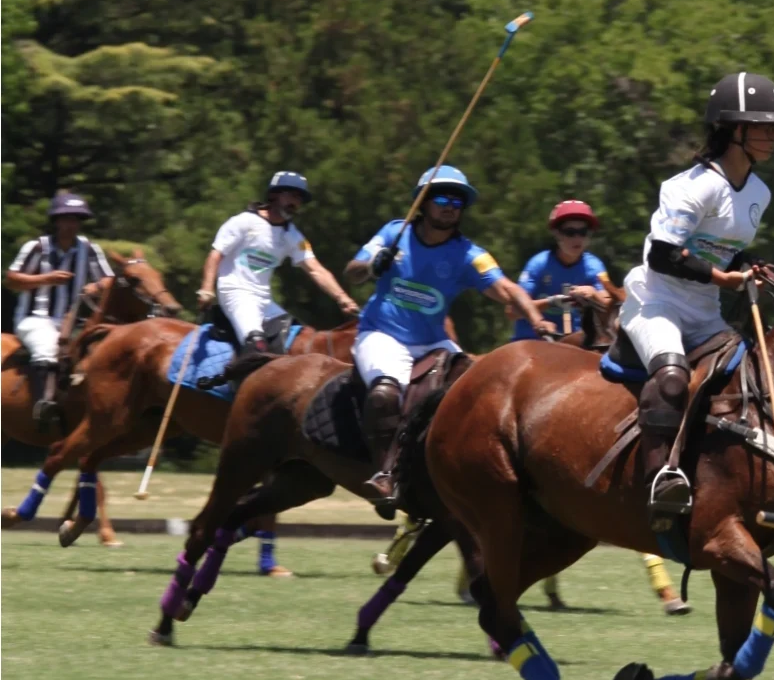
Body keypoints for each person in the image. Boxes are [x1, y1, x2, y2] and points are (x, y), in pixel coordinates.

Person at [619, 71, 774, 525]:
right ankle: (660, 478)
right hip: (655, 301)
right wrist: (722, 278)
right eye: (764, 126)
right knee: (673, 382)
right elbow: (663, 255)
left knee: (754, 383)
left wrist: (753, 267)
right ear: (734, 129)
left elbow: (728, 245)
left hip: (704, 312)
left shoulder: (758, 192)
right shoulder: (690, 186)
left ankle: (768, 485)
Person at [344, 164, 554, 514]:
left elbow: (506, 289)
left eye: (458, 201)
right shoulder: (394, 233)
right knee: (384, 393)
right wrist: (371, 266)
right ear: (423, 203)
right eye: (442, 198)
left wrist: (537, 320)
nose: (450, 206)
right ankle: (385, 474)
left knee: (474, 389)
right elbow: (352, 272)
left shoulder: (468, 253)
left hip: (432, 343)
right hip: (382, 334)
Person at [197, 172, 357, 362]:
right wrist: (207, 289)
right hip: (235, 293)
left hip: (264, 300)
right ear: (274, 195)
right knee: (256, 346)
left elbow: (316, 269)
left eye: (299, 198)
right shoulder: (244, 222)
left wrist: (343, 298)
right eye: (291, 195)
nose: (295, 202)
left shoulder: (293, 237)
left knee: (298, 342)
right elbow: (216, 254)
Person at [5, 191, 114, 425]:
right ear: (56, 221)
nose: (71, 224)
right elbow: (11, 279)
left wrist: (95, 287)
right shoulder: (37, 247)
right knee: (47, 349)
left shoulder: (90, 249)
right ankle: (45, 405)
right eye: (66, 218)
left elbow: (109, 279)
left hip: (75, 320)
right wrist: (46, 279)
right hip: (35, 317)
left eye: (76, 219)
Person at [510, 200, 615, 340]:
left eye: (583, 232)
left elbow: (610, 306)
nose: (577, 238)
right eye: (570, 232)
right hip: (532, 341)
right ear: (556, 234)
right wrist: (551, 302)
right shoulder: (538, 264)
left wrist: (594, 294)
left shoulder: (594, 266)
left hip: (574, 344)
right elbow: (512, 312)